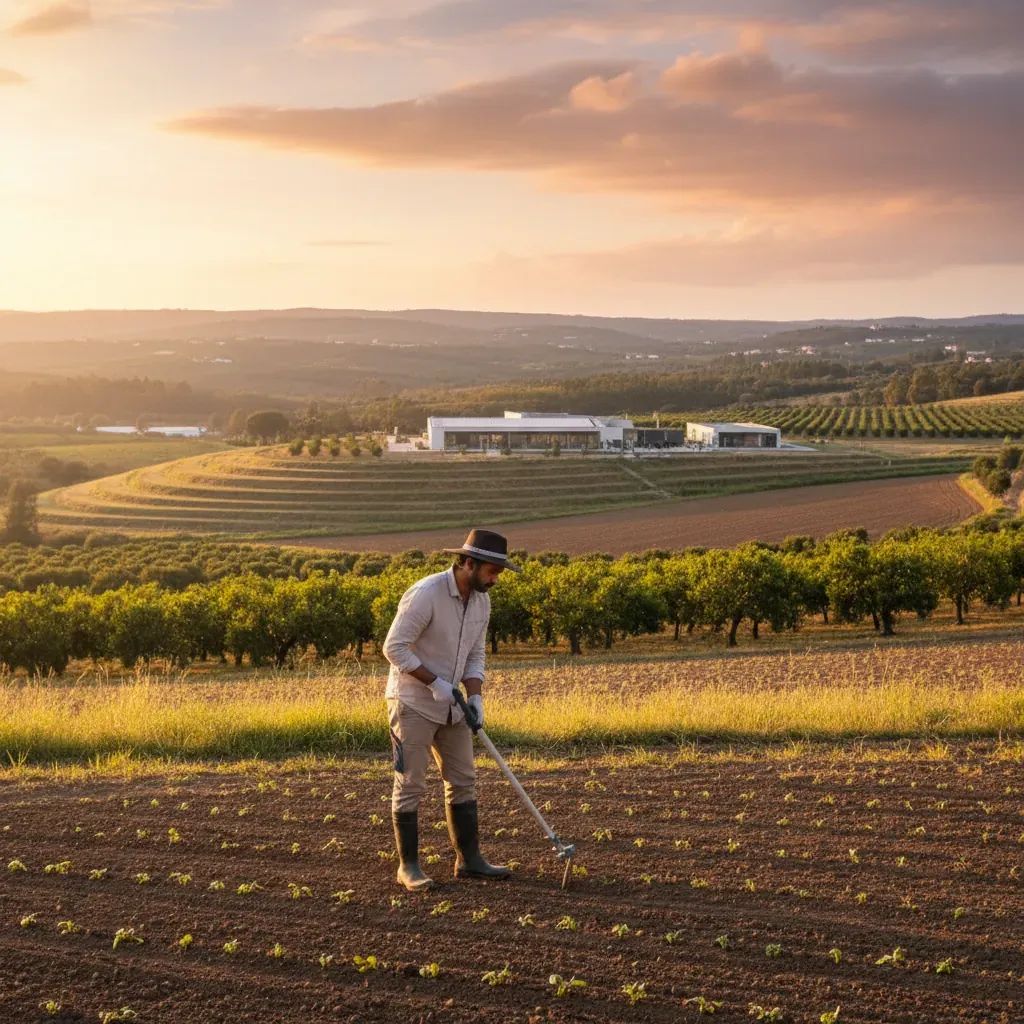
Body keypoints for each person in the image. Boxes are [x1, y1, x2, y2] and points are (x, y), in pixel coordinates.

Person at [382, 528, 520, 891]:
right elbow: (394, 648)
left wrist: (475, 697)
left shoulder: (481, 601)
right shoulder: (426, 594)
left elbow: (475, 655)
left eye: (499, 572)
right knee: (410, 783)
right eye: (492, 570)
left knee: (463, 780)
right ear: (469, 563)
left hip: (454, 707)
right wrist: (436, 683)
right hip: (412, 701)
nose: (496, 578)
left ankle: (469, 860)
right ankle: (408, 867)